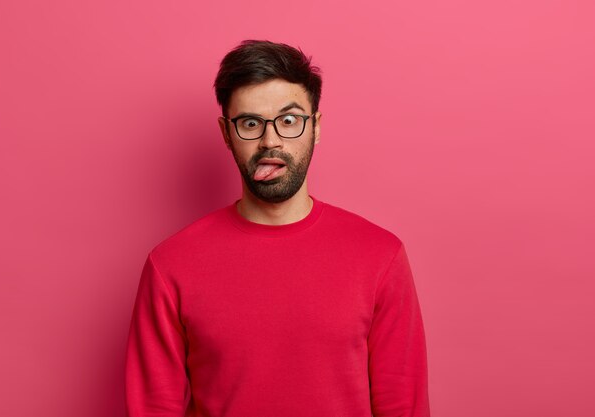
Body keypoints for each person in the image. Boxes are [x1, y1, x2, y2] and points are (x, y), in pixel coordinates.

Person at [125, 40, 430, 417]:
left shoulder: (380, 256)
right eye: (250, 123)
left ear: (315, 127)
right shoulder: (170, 266)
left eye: (289, 121)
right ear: (226, 133)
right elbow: (154, 407)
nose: (271, 141)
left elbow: (403, 405)